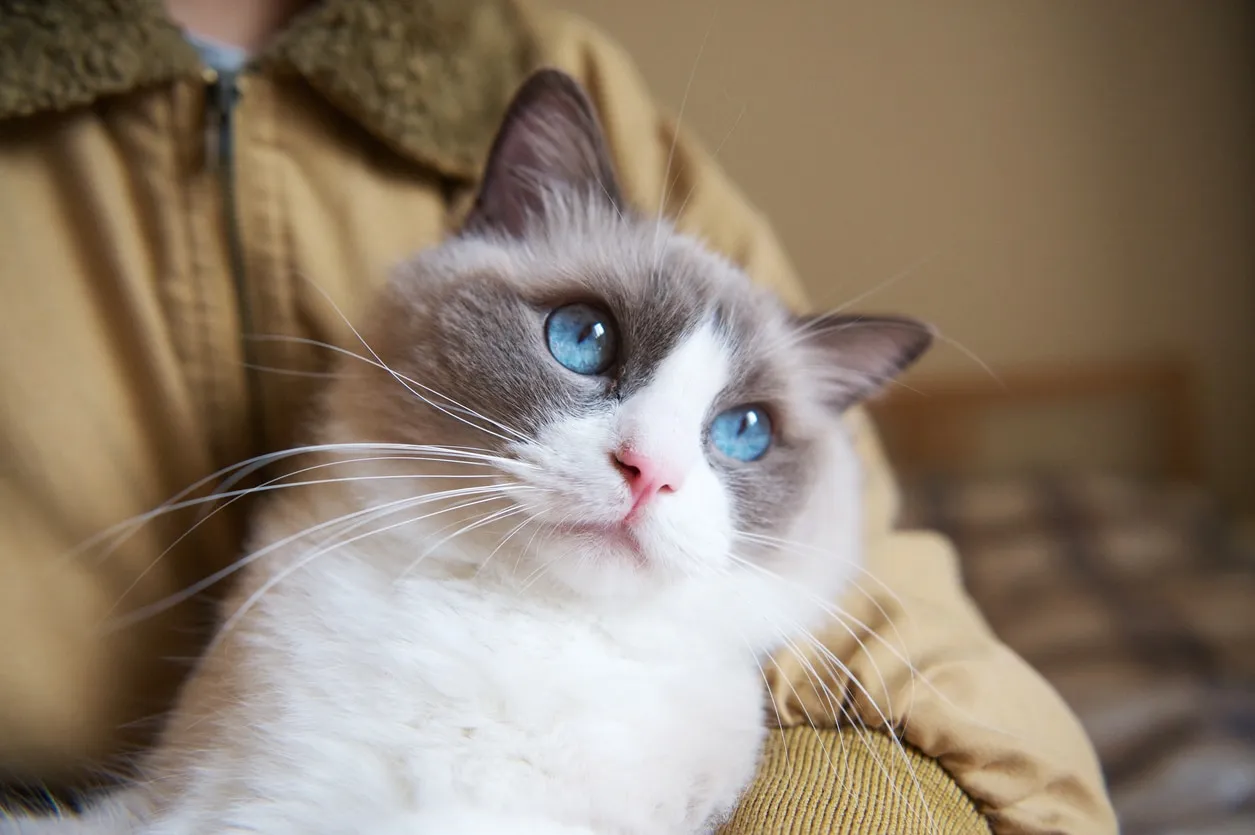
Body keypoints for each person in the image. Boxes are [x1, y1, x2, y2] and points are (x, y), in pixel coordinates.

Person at [0, 1, 1116, 831]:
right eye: (585, 338)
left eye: (742, 432)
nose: (650, 464)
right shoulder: (319, 593)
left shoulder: (531, 41)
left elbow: (898, 610)